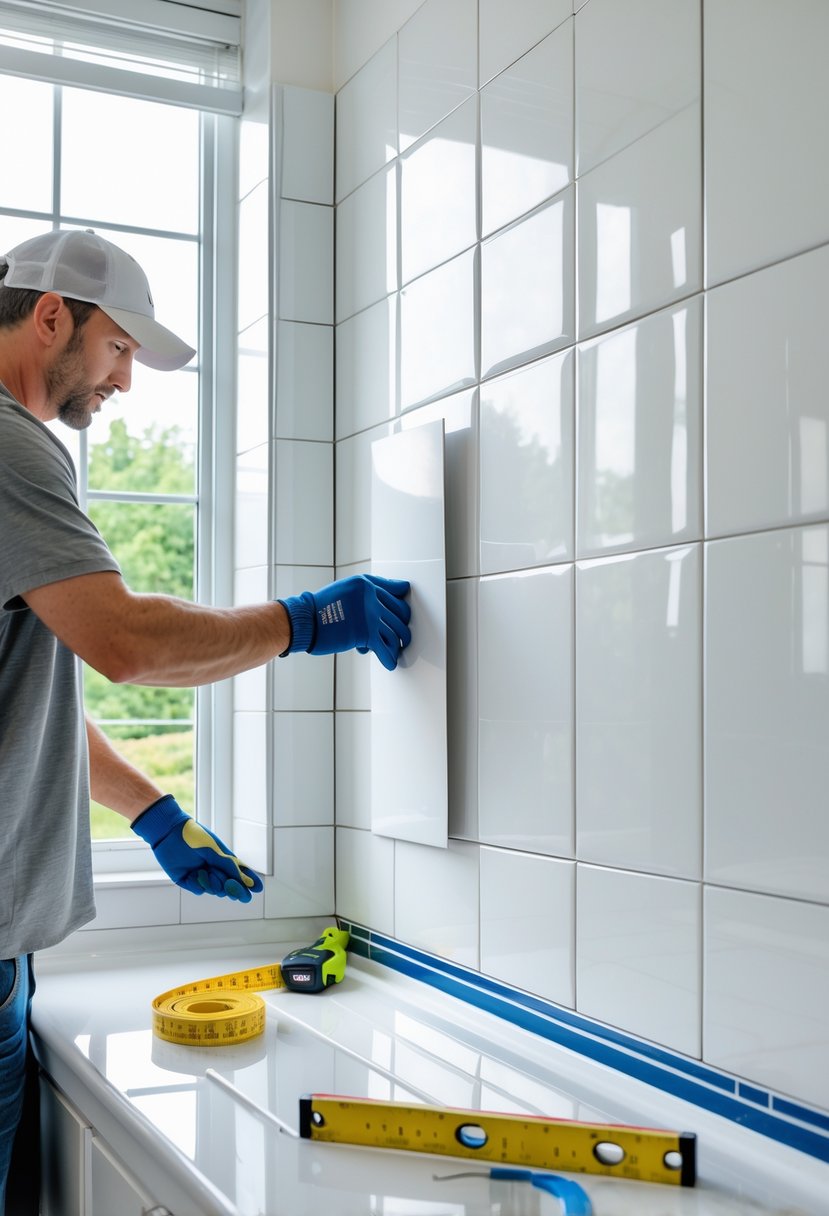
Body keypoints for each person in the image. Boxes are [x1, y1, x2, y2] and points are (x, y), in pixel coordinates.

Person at [0, 228, 412, 1213]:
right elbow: (128, 642)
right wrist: (302, 624)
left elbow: (29, 707)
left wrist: (153, 815)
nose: (124, 382)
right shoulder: (12, 445)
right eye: (120, 350)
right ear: (53, 314)